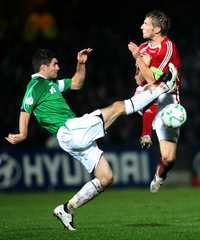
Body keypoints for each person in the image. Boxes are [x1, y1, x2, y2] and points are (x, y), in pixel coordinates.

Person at [5, 48, 176, 231]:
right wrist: (23, 133)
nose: (58, 67)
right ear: (43, 67)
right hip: (70, 129)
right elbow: (25, 109)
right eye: (55, 64)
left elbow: (77, 83)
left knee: (106, 178)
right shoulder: (36, 85)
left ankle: (66, 208)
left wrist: (81, 63)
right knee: (118, 107)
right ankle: (164, 86)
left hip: (72, 135)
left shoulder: (51, 84)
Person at [128, 10, 182, 192]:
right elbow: (140, 81)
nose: (141, 26)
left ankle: (160, 175)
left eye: (145, 23)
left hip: (168, 100)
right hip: (148, 93)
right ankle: (145, 133)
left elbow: (152, 78)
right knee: (152, 90)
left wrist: (139, 59)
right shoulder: (142, 48)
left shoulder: (167, 48)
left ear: (157, 29)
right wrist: (141, 64)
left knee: (169, 158)